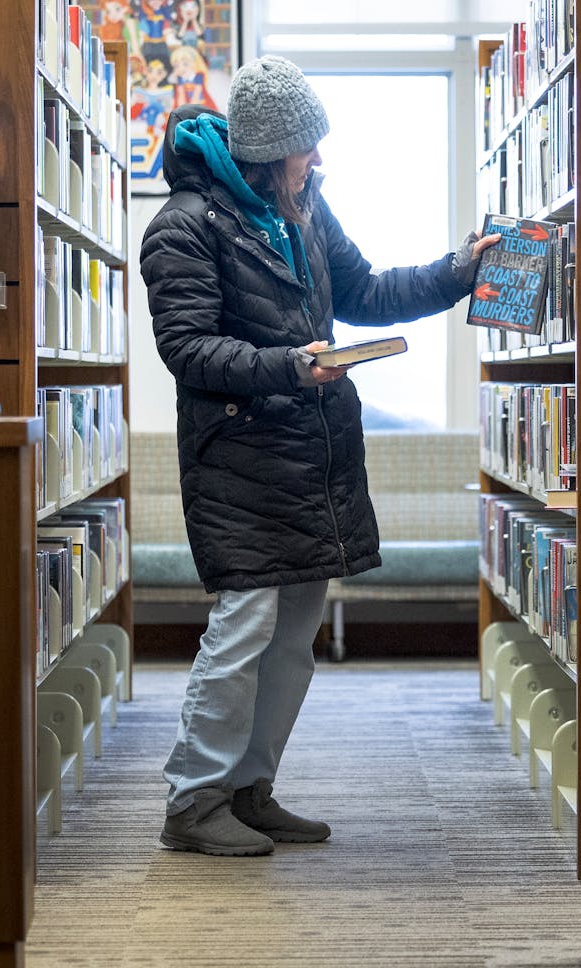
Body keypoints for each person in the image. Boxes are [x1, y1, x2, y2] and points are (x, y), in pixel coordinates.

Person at [139, 54, 499, 857]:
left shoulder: (306, 211)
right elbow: (188, 349)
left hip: (312, 456)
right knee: (242, 628)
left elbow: (367, 292)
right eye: (307, 148)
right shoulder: (183, 227)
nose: (318, 162)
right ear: (270, 154)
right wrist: (289, 365)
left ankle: (249, 788)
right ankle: (193, 801)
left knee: (294, 635)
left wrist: (456, 272)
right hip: (240, 460)